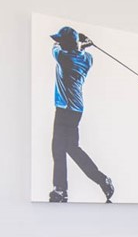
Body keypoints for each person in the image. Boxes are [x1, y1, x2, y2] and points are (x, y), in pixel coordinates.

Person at [48, 26, 115, 203]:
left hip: (64, 109)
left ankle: (61, 190)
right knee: (72, 148)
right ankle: (102, 180)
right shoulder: (87, 59)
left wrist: (81, 43)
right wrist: (83, 44)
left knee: (58, 149)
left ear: (65, 44)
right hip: (77, 110)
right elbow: (78, 51)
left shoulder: (62, 57)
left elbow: (55, 46)